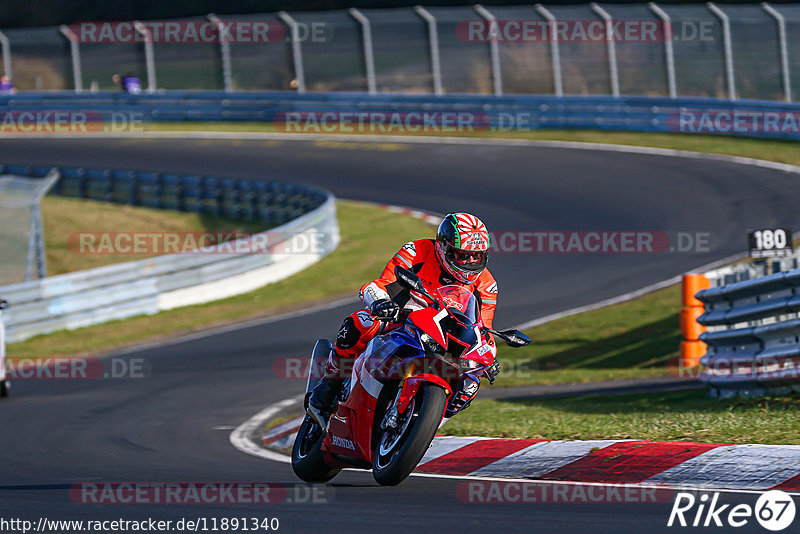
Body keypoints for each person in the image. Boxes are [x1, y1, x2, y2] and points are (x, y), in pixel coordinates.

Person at [306, 212, 500, 425]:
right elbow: (379, 284)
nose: (470, 262)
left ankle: (425, 423)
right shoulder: (416, 251)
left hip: (447, 339)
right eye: (462, 255)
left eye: (477, 256)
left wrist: (489, 359)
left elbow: (484, 331)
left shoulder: (487, 284)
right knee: (360, 323)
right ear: (443, 247)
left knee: (469, 386)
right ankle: (326, 391)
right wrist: (380, 302)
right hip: (402, 317)